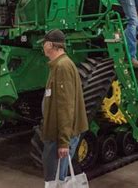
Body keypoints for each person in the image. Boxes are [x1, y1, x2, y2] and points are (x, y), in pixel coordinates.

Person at [41, 29, 88, 181]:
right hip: (58, 135)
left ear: (49, 45)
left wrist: (63, 141)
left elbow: (66, 107)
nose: (43, 47)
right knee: (55, 178)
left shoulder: (62, 67)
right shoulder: (60, 65)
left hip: (59, 137)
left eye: (43, 44)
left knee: (55, 180)